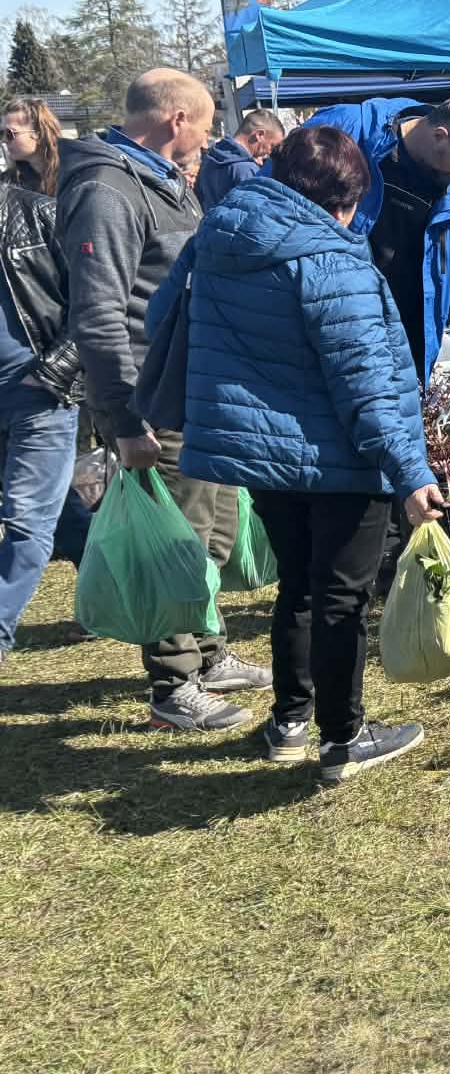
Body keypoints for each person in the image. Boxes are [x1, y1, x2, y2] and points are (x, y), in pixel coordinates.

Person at [156, 126, 443, 783]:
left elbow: (162, 320)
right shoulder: (330, 259)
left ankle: (289, 722)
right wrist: (410, 472)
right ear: (345, 201)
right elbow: (367, 383)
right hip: (339, 455)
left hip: (264, 454)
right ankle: (344, 738)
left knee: (300, 587)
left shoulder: (218, 235)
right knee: (342, 597)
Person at [57, 68, 271, 729]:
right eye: (204, 127)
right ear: (177, 119)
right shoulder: (107, 190)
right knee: (176, 543)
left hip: (195, 389)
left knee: (209, 534)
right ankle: (174, 687)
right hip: (156, 400)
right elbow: (98, 315)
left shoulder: (160, 181)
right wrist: (124, 420)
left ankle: (207, 654)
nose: (209, 141)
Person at [293, 93, 450, 406]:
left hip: (409, 339)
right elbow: (271, 208)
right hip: (333, 327)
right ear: (440, 135)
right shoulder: (350, 131)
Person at [0, 96, 85, 665]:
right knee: (61, 512)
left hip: (36, 392)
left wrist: (56, 371)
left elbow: (92, 302)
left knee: (27, 518)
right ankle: (111, 590)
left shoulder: (40, 213)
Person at [195, 107, 284, 212]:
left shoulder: (209, 158)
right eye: (272, 146)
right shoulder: (246, 169)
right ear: (259, 135)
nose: (270, 153)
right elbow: (255, 212)